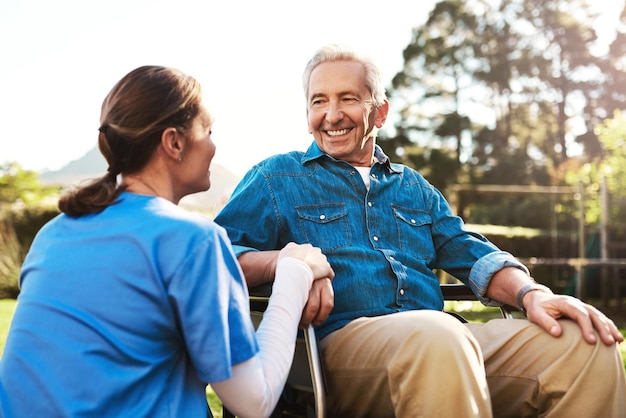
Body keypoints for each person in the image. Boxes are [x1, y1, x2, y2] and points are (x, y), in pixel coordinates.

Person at [213, 44, 626, 417]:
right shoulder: (275, 178)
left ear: (379, 111)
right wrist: (287, 261)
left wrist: (532, 293)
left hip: (443, 342)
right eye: (318, 101)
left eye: (348, 99)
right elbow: (215, 256)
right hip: (339, 354)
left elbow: (471, 252)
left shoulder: (414, 187)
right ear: (307, 115)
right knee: (437, 335)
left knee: (585, 343)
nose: (332, 114)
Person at [0, 65, 334, 418]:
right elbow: (254, 401)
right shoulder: (192, 240)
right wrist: (294, 269)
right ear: (174, 142)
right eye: (208, 130)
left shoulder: (54, 233)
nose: (214, 146)